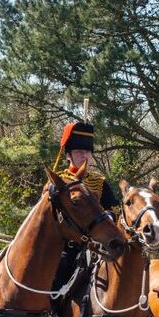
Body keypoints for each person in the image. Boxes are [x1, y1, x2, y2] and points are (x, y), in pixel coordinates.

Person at [50, 121, 120, 295]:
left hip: (97, 244)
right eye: (79, 152)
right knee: (58, 271)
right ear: (69, 155)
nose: (84, 156)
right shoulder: (59, 180)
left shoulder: (99, 182)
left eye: (87, 151)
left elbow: (115, 208)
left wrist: (108, 217)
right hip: (67, 245)